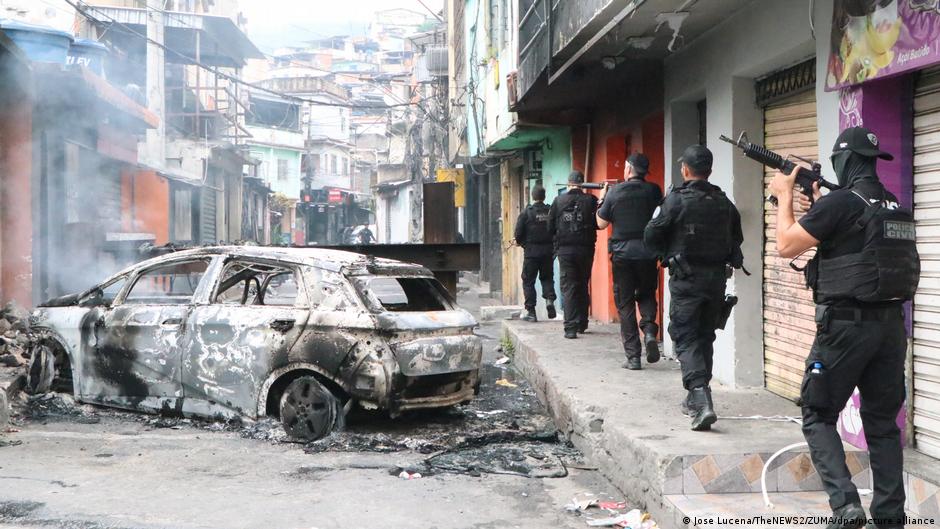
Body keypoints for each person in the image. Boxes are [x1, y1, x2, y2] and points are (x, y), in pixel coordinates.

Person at [769, 126, 918, 529]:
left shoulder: (839, 204)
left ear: (842, 161)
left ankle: (847, 507)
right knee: (883, 424)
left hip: (845, 329)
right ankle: (889, 516)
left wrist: (784, 197)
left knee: (818, 414)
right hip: (889, 330)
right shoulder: (892, 204)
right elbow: (857, 244)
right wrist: (820, 203)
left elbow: (786, 245)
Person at [644, 145, 744, 431]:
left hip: (687, 281)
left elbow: (651, 234)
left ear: (685, 170)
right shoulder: (724, 202)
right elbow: (736, 237)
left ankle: (701, 399)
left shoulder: (676, 201)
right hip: (715, 281)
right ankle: (696, 397)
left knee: (686, 338)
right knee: (704, 336)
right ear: (709, 170)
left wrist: (666, 252)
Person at [597, 153, 663, 370]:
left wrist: (602, 199)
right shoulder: (654, 191)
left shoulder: (614, 193)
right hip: (648, 253)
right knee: (646, 294)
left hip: (622, 256)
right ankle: (650, 330)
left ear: (627, 169)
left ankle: (633, 357)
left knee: (625, 304)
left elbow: (601, 224)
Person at [548, 170, 599, 339]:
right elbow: (599, 223)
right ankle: (582, 323)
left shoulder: (558, 201)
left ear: (569, 183)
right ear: (582, 183)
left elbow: (549, 227)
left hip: (565, 251)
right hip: (586, 250)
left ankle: (570, 328)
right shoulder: (591, 201)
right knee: (583, 284)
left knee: (569, 287)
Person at [513, 185, 557, 322]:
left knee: (528, 281)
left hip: (531, 253)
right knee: (547, 278)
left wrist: (524, 244)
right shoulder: (550, 211)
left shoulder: (527, 213)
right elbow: (556, 230)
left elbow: (518, 234)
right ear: (544, 197)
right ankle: (549, 301)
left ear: (533, 196)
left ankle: (531, 312)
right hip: (548, 252)